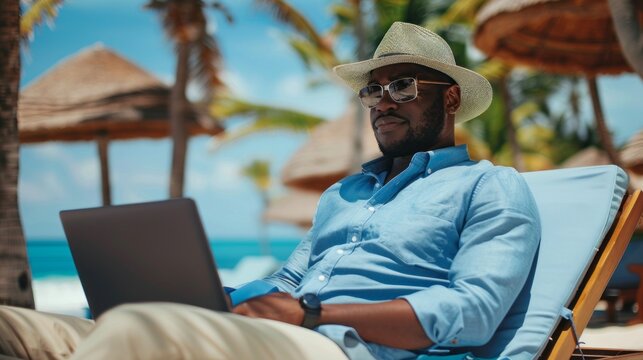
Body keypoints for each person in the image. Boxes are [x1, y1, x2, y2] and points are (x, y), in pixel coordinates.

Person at [0, 22, 540, 360]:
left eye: (402, 86)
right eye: (373, 90)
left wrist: (313, 315)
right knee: (19, 327)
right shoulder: (345, 193)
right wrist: (213, 299)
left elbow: (473, 312)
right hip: (283, 336)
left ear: (449, 101)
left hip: (345, 349)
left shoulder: (489, 186)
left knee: (132, 332)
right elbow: (288, 280)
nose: (382, 102)